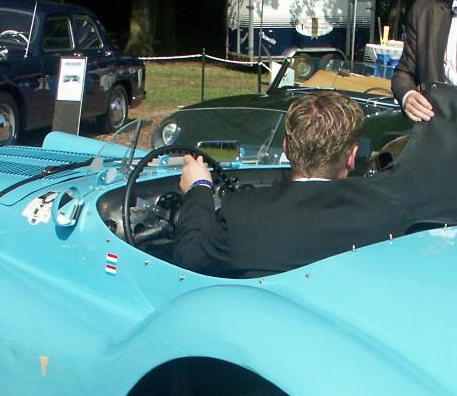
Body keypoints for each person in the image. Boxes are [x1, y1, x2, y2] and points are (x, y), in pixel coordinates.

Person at [174, 92, 410, 278]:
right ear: (351, 156)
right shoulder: (384, 214)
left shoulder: (243, 213)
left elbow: (190, 258)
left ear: (287, 148)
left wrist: (199, 188)